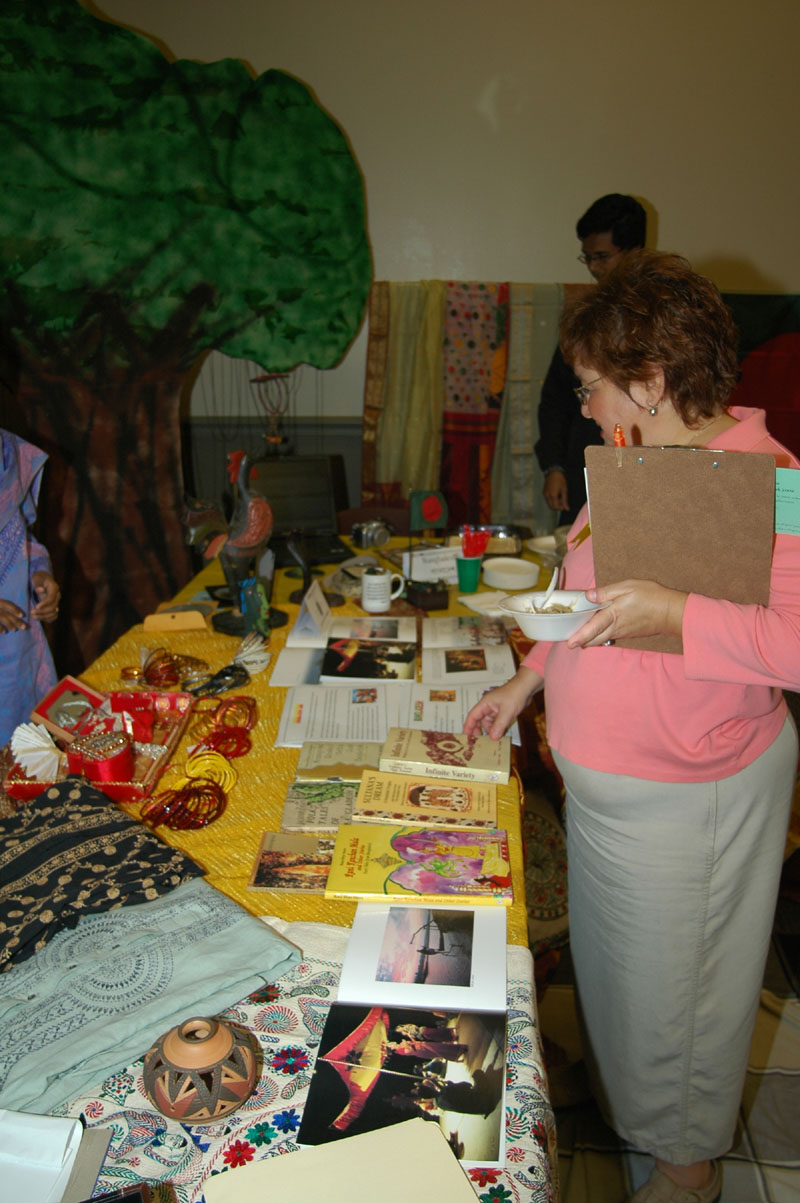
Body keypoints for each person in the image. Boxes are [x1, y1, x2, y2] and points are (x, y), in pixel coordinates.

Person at [466, 250, 800, 1203]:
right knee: (626, 989)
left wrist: (676, 613)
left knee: (683, 1001)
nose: (583, 409)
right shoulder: (638, 459)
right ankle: (637, 1119)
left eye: (591, 387)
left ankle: (687, 1170)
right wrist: (529, 680)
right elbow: (584, 593)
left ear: (650, 380)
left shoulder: (773, 479)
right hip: (617, 797)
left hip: (694, 797)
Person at [535, 193, 647, 524]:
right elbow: (556, 400)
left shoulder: (658, 318)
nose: (594, 268)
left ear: (634, 252)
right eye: (587, 258)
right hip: (582, 468)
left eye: (602, 257)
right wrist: (554, 467)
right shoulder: (587, 317)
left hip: (643, 469)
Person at [0, 429, 60, 747]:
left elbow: (21, 536)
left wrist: (39, 574)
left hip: (20, 655)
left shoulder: (10, 456)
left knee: (30, 755)